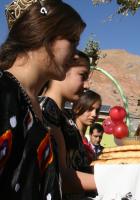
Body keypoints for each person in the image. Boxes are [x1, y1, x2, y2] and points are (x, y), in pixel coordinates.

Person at [0, 0, 85, 199]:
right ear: (44, 33)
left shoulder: (34, 107)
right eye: (72, 40)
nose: (75, 55)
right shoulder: (4, 92)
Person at [39, 51, 99, 199]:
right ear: (61, 70)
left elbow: (77, 166)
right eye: (82, 76)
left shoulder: (64, 116)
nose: (87, 85)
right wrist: (112, 181)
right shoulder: (45, 111)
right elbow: (59, 176)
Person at [73, 89, 102, 163]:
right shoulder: (71, 136)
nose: (94, 114)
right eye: (90, 109)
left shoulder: (84, 138)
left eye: (97, 111)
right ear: (77, 108)